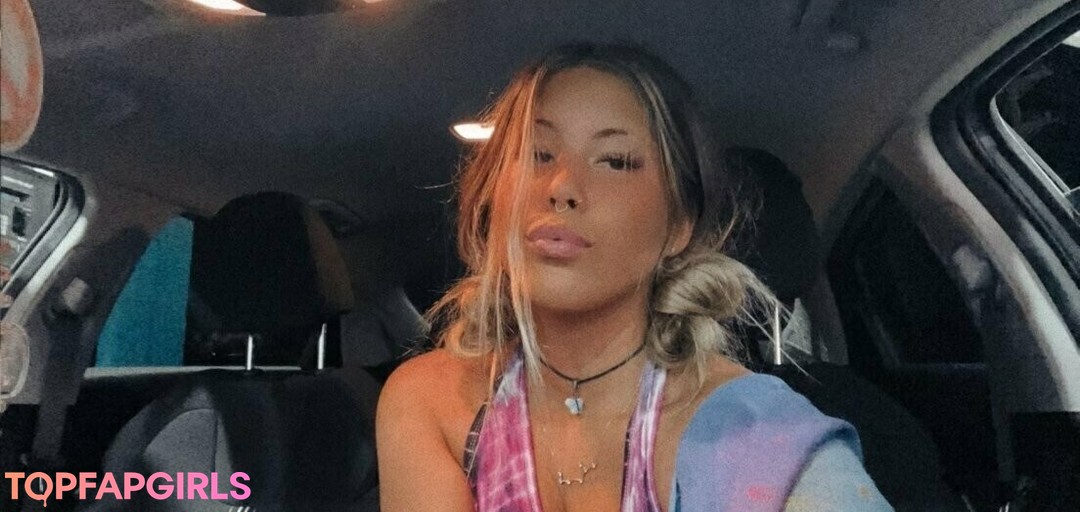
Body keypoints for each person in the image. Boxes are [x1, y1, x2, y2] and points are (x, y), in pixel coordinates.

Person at [376, 43, 893, 511]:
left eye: (616, 161)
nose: (561, 187)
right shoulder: (429, 402)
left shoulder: (751, 434)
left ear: (678, 227)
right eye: (537, 154)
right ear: (494, 197)